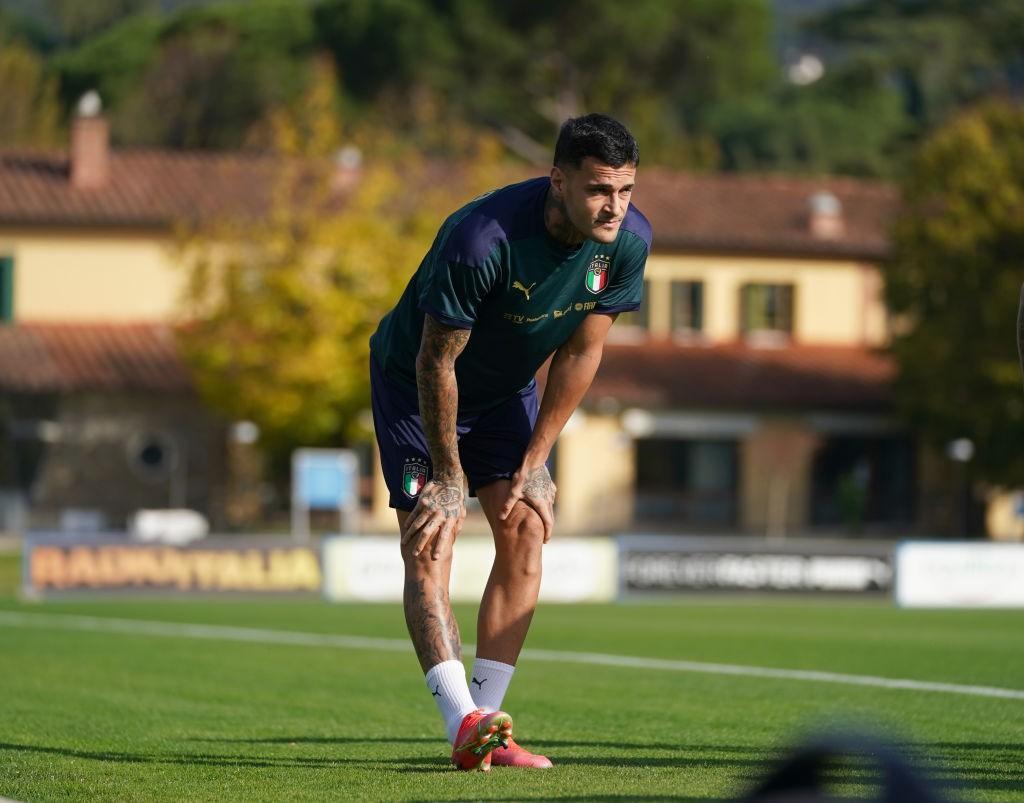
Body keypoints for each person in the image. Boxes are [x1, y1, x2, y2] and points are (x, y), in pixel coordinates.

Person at [369, 113, 651, 771]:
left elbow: (583, 351)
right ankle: (457, 717)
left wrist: (537, 457)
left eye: (626, 189)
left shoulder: (628, 242)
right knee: (432, 534)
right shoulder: (481, 239)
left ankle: (486, 726)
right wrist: (447, 471)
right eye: (598, 190)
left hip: (506, 393)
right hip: (415, 386)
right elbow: (436, 361)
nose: (614, 206)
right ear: (558, 180)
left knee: (526, 524)